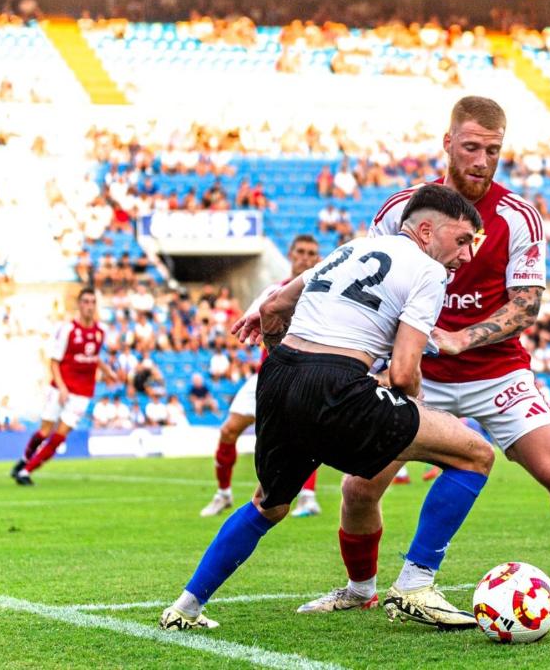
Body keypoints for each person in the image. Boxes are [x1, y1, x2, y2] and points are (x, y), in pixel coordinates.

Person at [281, 96, 550, 620]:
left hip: (496, 370)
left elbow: (526, 304)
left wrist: (461, 338)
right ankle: (360, 588)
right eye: (472, 147)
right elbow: (369, 284)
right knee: (359, 487)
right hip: (418, 372)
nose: (482, 160)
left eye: (493, 150)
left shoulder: (517, 215)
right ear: (448, 144)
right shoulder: (399, 212)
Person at [160, 185, 490, 631]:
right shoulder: (429, 272)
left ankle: (185, 608)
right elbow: (405, 370)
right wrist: (417, 411)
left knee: (268, 505)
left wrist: (273, 337)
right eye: (464, 239)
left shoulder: (350, 248)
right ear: (427, 230)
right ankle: (415, 585)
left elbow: (274, 304)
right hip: (336, 382)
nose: (467, 255)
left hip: (277, 378)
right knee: (474, 453)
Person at [200, 235, 323, 519]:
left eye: (311, 254)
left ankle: (308, 497)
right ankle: (223, 494)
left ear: (317, 259)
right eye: (300, 252)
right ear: (291, 255)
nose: (305, 258)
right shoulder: (273, 291)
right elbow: (247, 324)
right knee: (229, 430)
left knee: (305, 437)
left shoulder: (321, 294)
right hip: (267, 375)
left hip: (302, 377)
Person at [12, 288, 119, 485]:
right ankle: (25, 459)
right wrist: (61, 387)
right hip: (61, 387)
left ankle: (26, 471)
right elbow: (54, 361)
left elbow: (93, 357)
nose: (89, 306)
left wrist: (107, 371)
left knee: (60, 435)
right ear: (79, 304)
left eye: (92, 302)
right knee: (44, 432)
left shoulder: (100, 331)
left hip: (83, 392)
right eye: (85, 302)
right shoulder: (68, 330)